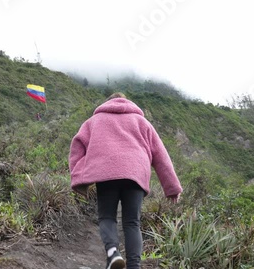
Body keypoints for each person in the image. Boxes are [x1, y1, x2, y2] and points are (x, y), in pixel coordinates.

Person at [69, 92, 182, 269]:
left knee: (107, 216)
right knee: (132, 222)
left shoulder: (94, 122)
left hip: (106, 172)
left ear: (107, 103)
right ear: (128, 102)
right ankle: (134, 266)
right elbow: (161, 155)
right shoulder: (142, 122)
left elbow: (77, 147)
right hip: (135, 173)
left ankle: (113, 252)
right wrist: (172, 187)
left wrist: (78, 177)